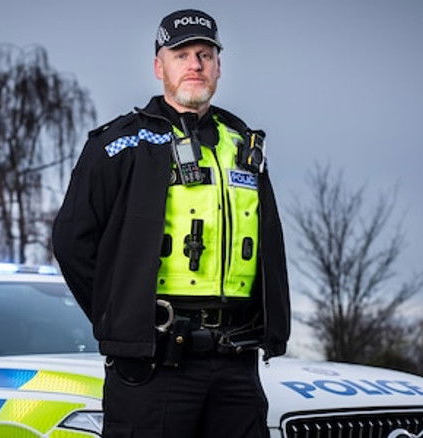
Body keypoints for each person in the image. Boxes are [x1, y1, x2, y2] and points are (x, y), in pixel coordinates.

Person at [53, 9, 290, 438]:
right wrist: (122, 317)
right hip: (155, 362)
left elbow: (268, 240)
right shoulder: (119, 143)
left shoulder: (244, 144)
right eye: (181, 55)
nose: (195, 65)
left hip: (237, 364)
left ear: (219, 66)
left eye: (205, 55)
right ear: (158, 66)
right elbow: (72, 241)